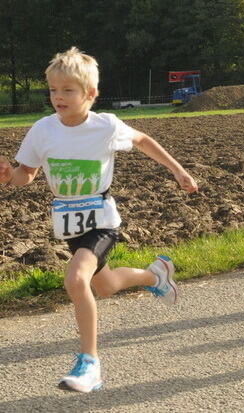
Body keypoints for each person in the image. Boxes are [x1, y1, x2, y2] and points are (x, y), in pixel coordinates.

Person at [0, 47, 198, 393]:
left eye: (68, 90)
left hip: (102, 220)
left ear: (90, 94)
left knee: (76, 279)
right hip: (69, 223)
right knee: (103, 286)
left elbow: (143, 140)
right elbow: (27, 175)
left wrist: (178, 171)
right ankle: (156, 275)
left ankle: (89, 363)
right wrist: (8, 177)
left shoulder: (105, 125)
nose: (58, 97)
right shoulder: (42, 130)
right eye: (53, 90)